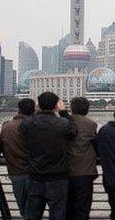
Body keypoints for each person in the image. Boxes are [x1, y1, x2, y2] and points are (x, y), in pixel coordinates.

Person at [20, 91, 78, 220]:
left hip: (35, 176)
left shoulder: (29, 123)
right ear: (56, 105)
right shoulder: (63, 123)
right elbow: (74, 131)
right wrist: (63, 112)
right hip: (58, 176)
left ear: (38, 105)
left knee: (32, 215)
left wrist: (36, 112)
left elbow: (22, 129)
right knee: (58, 214)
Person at [1, 98, 36, 218]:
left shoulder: (6, 127)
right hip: (36, 174)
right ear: (34, 110)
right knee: (33, 210)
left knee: (23, 210)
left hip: (16, 173)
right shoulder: (37, 126)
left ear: (18, 110)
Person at [66, 97, 99, 220]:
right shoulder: (91, 124)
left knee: (67, 207)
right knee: (83, 208)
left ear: (72, 108)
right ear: (87, 109)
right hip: (85, 171)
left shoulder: (64, 122)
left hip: (65, 172)